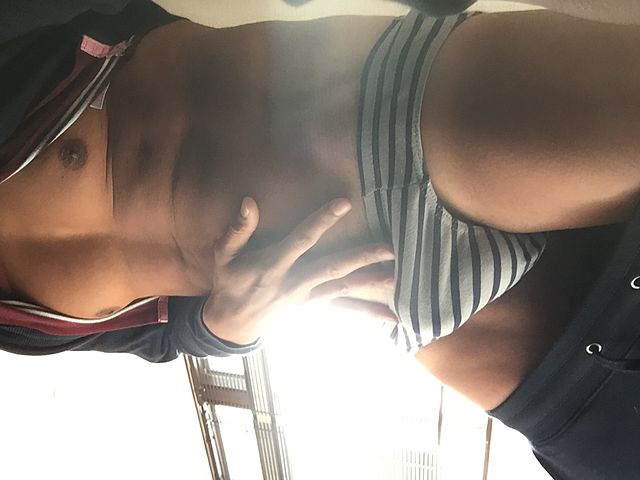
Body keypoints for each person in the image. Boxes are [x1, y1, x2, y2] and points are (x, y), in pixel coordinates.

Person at [3, 1, 640, 477]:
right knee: (609, 441)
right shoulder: (18, 329)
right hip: (397, 297)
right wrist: (228, 325)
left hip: (382, 113)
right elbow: (164, 336)